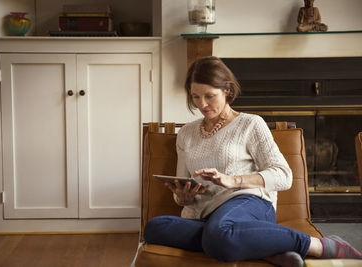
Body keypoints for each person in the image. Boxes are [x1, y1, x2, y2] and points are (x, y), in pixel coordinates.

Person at [143, 56, 361, 267]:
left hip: (248, 203)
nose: (202, 104)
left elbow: (284, 176)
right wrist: (183, 196)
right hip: (205, 215)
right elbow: (183, 183)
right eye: (196, 97)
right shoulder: (187, 134)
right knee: (154, 228)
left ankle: (319, 245)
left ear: (227, 90)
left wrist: (233, 180)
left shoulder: (251, 124)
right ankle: (266, 248)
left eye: (209, 96)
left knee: (219, 235)